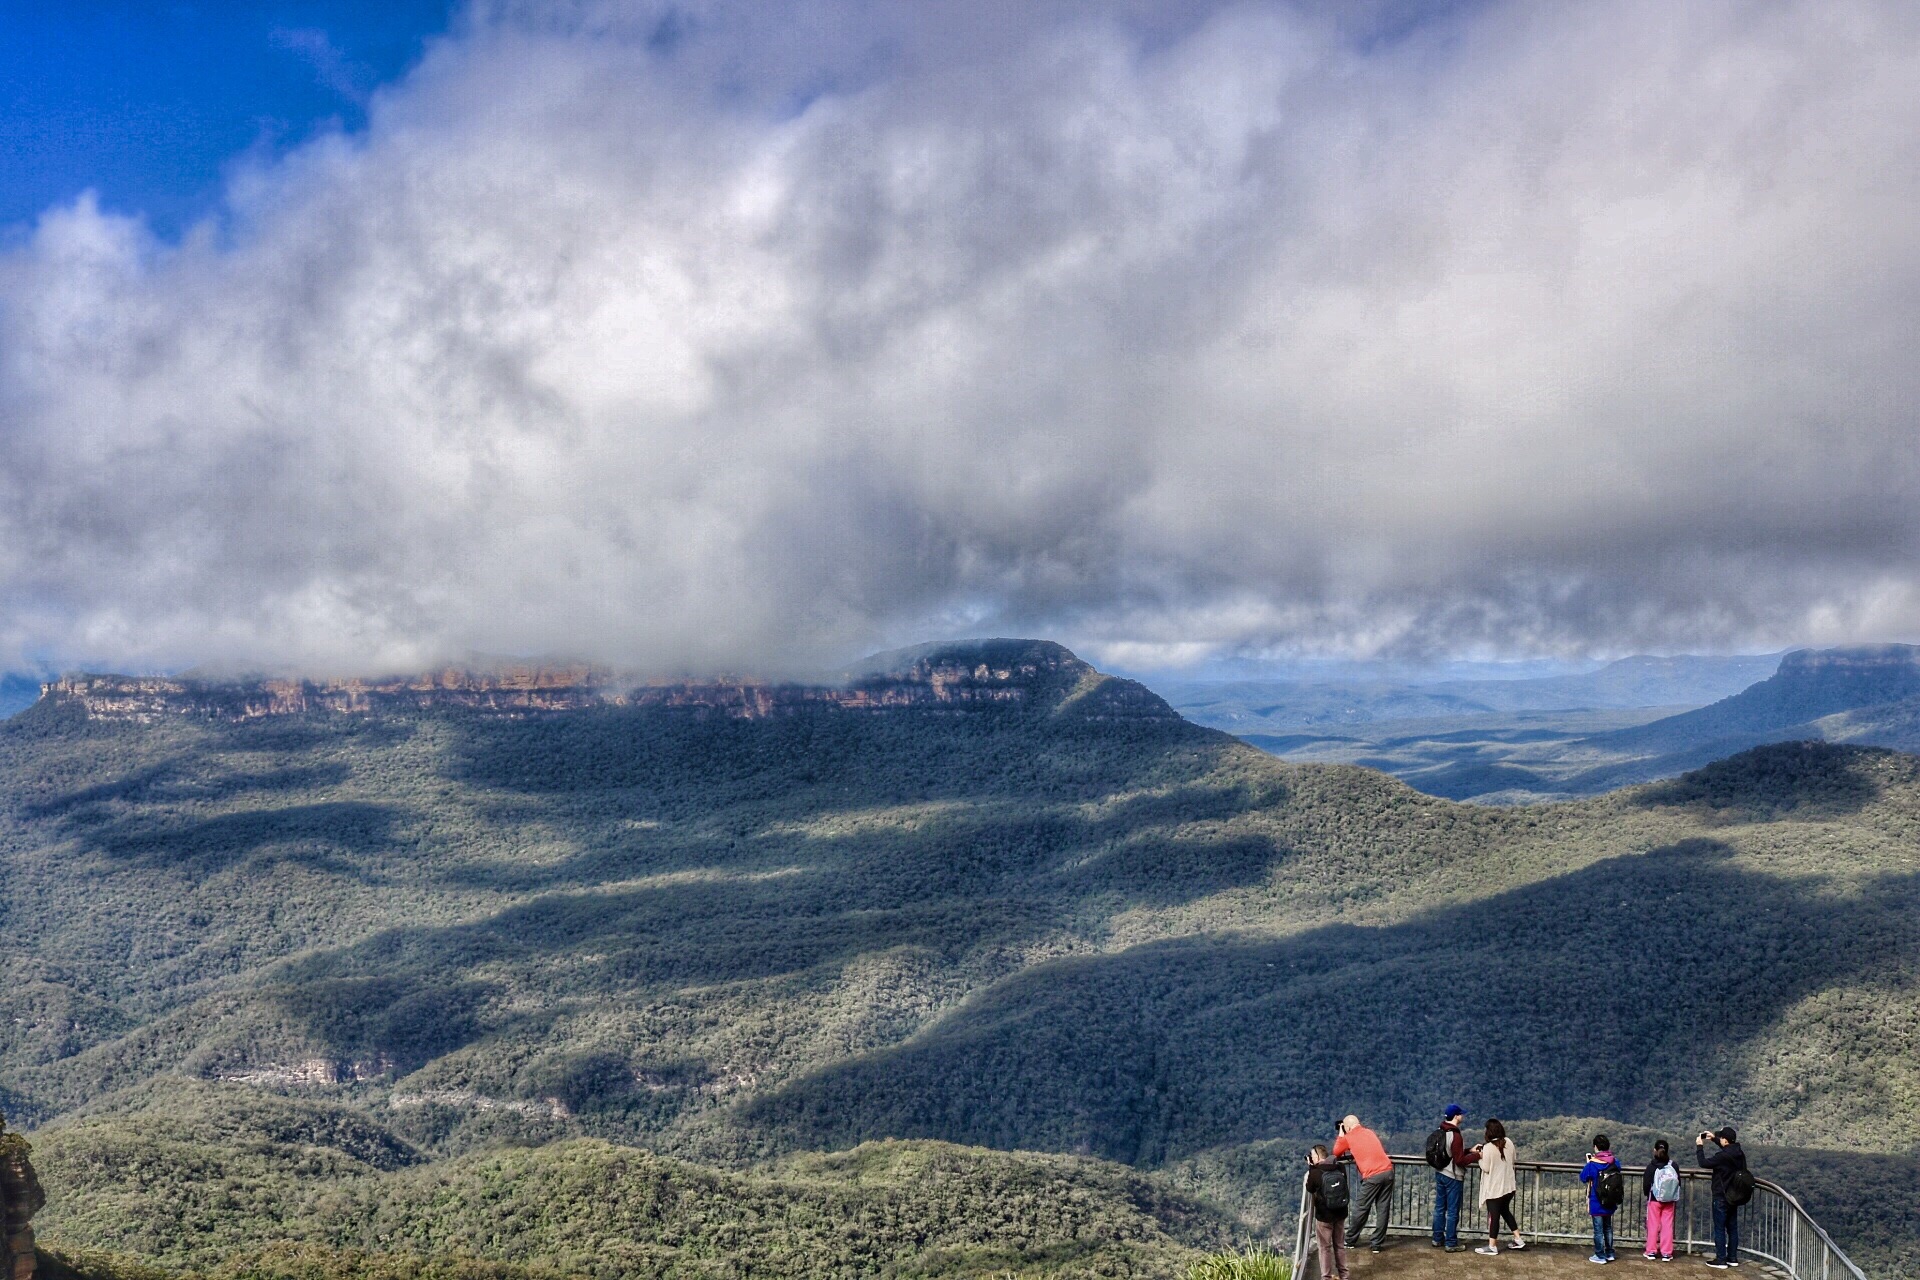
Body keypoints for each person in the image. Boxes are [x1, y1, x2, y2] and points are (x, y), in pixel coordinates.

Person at [1459, 1117, 1525, 1255]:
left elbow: (1486, 1168)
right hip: (1509, 1187)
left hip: (1495, 1189)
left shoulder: (1488, 1148)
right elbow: (1512, 1159)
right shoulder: (1509, 1142)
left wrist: (1479, 1156)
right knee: (1505, 1212)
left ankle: (1492, 1246)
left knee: (1493, 1217)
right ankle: (1518, 1238)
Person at [1333, 1115, 1395, 1253]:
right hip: (1388, 1171)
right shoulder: (1369, 1132)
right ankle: (1376, 1244)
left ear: (1347, 1126)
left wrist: (1341, 1134)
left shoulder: (1349, 1137)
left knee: (1361, 1208)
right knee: (1383, 1209)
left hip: (1373, 1176)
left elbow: (1336, 1152)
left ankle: (1350, 1240)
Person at [1697, 1126, 1748, 1269]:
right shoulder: (1739, 1153)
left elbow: (1704, 1163)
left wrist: (1699, 1147)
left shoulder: (1722, 1157)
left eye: (1721, 1138)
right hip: (1734, 1195)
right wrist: (1714, 1139)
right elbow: (1727, 1150)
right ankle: (1732, 1258)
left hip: (1721, 1195)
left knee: (1719, 1228)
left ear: (1725, 1140)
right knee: (1732, 1228)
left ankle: (1721, 1260)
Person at [1306, 1144, 1352, 1280]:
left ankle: (1326, 1277)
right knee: (1339, 1245)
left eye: (1313, 1156)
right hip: (1341, 1212)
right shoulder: (1340, 1167)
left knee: (1325, 1247)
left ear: (1318, 1157)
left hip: (1324, 1216)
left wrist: (1311, 1168)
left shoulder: (1315, 1173)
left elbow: (1310, 1188)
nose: (1311, 1158)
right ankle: (1344, 1275)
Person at [1430, 1104, 1469, 1251]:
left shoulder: (1441, 1130)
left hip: (1440, 1173)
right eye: (1461, 1114)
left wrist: (1468, 1151)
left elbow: (1451, 1152)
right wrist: (1476, 1156)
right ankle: (1451, 1242)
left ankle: (1437, 1238)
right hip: (1453, 1176)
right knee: (1452, 1210)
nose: (1462, 1116)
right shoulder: (1456, 1135)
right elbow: (1459, 1160)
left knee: (1440, 1207)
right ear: (1456, 1116)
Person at [1580, 1133, 1621, 1263]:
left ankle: (1600, 1255)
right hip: (1610, 1200)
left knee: (1598, 1230)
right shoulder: (1615, 1161)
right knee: (1608, 1227)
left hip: (1596, 1201)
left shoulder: (1593, 1164)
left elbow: (1583, 1177)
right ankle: (1610, 1253)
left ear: (1596, 1147)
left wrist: (1589, 1162)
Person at [1643, 1139, 1679, 1262]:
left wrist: (1647, 1195)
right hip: (1669, 1200)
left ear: (1655, 1150)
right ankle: (1666, 1253)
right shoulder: (1673, 1166)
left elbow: (1646, 1184)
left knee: (1653, 1225)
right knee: (1667, 1226)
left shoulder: (1651, 1166)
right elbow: (1677, 1182)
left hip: (1654, 1199)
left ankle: (1651, 1251)